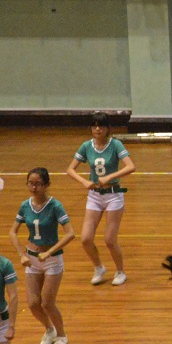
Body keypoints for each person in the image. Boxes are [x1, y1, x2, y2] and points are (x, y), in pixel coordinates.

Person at [66, 112, 136, 286]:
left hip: (113, 195)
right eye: (94, 126)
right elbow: (70, 169)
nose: (97, 129)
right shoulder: (86, 146)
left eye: (101, 126)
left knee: (110, 240)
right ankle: (98, 267)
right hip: (95, 196)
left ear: (107, 128)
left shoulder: (115, 145)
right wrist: (84, 181)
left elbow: (130, 166)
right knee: (86, 238)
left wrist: (110, 177)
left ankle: (120, 271)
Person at [13, 167, 76, 344]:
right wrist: (21, 254)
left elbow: (70, 233)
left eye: (38, 184)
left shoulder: (55, 206)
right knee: (33, 303)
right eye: (31, 183)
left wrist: (50, 252)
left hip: (52, 260)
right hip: (32, 259)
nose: (34, 187)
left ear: (47, 185)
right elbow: (12, 232)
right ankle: (49, 329)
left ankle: (62, 335)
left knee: (47, 302)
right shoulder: (25, 206)